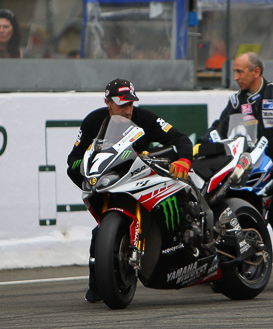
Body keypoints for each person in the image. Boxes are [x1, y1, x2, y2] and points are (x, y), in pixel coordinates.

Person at [198, 52, 273, 289]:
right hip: (262, 173)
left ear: (256, 72)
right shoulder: (237, 102)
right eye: (234, 71)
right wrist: (202, 144)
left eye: (239, 71)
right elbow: (219, 128)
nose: (235, 77)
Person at [67, 78, 193, 303]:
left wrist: (184, 159)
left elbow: (179, 138)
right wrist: (89, 177)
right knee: (100, 233)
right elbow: (73, 161)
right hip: (112, 188)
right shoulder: (93, 122)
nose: (127, 110)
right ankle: (99, 286)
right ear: (108, 102)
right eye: (122, 104)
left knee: (176, 199)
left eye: (130, 104)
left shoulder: (145, 118)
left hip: (142, 184)